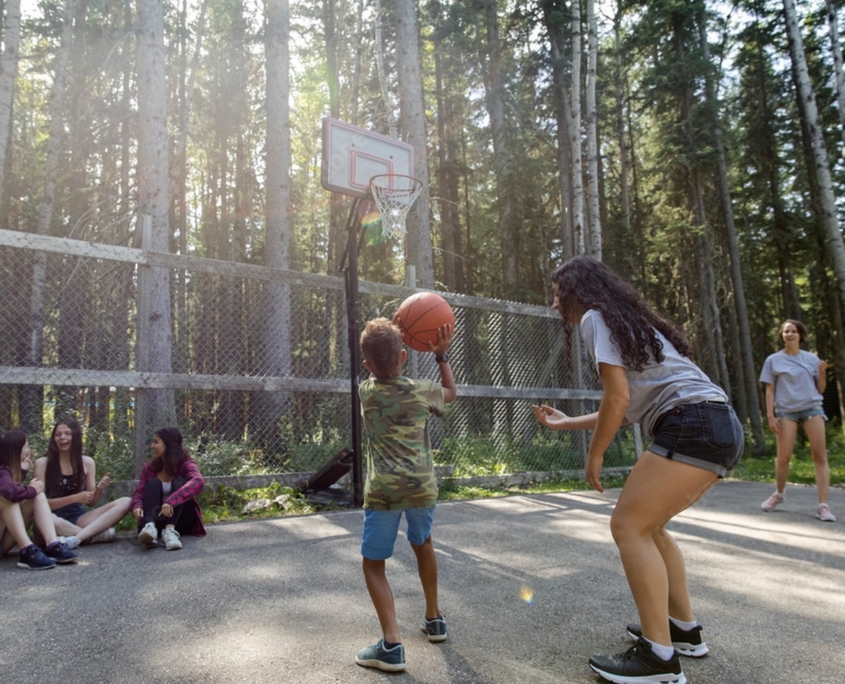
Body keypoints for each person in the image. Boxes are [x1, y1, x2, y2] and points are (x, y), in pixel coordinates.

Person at [532, 256, 744, 684]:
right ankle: (681, 630)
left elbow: (618, 398)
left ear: (579, 292)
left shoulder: (593, 318)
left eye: (558, 294)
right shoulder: (632, 324)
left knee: (628, 526)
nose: (555, 304)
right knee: (652, 528)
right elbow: (629, 405)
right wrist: (567, 423)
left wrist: (594, 455)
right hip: (719, 422)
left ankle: (658, 659)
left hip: (691, 423)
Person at [353, 317, 457, 673]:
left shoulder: (366, 392)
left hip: (383, 492)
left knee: (373, 564)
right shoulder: (423, 390)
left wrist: (389, 338)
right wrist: (441, 355)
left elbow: (380, 363)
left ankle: (392, 644)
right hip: (422, 487)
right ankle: (434, 619)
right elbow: (451, 392)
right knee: (423, 543)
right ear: (403, 355)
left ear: (367, 364)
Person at [759, 319, 836, 522]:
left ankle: (823, 505)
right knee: (783, 457)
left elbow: (820, 389)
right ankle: (779, 493)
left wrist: (821, 372)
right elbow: (769, 390)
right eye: (786, 331)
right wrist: (770, 416)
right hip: (786, 411)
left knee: (820, 456)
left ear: (800, 335)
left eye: (793, 331)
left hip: (812, 407)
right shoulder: (773, 360)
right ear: (782, 335)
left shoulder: (811, 359)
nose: (789, 334)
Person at [34, 417, 132, 548]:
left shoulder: (87, 462)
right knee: (53, 521)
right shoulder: (42, 463)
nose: (62, 437)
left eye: (67, 433)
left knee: (126, 502)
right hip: (51, 519)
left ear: (76, 436)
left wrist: (99, 489)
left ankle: (75, 538)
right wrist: (74, 498)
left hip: (78, 518)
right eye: (57, 434)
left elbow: (91, 502)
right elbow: (39, 505)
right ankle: (91, 535)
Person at [1, 430, 78, 569]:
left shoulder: (6, 469)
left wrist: (22, 472)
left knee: (38, 495)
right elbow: (9, 492)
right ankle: (27, 550)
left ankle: (53, 545)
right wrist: (31, 489)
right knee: (9, 499)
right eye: (26, 446)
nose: (27, 450)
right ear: (17, 449)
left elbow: (10, 488)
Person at [131, 427, 205, 551]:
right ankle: (150, 528)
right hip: (157, 517)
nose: (152, 446)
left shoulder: (185, 464)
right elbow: (141, 491)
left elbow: (198, 482)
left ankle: (170, 532)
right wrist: (137, 506)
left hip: (180, 521)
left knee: (179, 482)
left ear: (169, 445)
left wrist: (171, 501)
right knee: (154, 483)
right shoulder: (149, 468)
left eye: (156, 442)